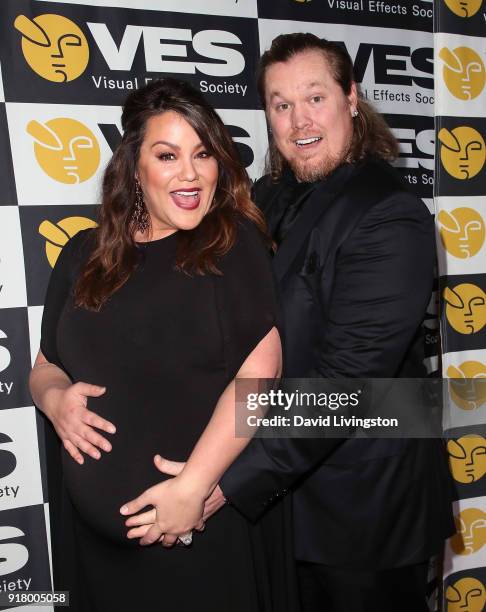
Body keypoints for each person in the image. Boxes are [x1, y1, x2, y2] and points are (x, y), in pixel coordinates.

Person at [144, 34, 456, 612]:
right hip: (285, 501)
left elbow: (348, 383)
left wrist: (218, 485)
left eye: (315, 97)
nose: (298, 120)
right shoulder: (267, 194)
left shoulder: (388, 212)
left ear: (352, 99)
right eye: (280, 104)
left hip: (362, 517)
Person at [29, 77, 299, 612]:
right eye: (167, 154)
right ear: (134, 167)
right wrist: (55, 401)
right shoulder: (83, 253)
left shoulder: (233, 242)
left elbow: (261, 376)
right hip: (93, 550)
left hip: (195, 535)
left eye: (203, 153)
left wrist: (193, 488)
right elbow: (44, 366)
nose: (191, 173)